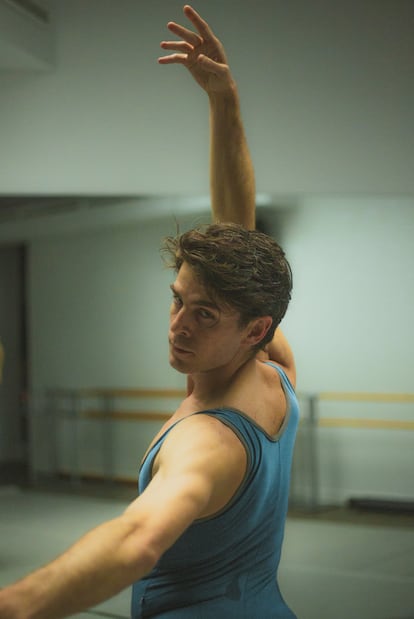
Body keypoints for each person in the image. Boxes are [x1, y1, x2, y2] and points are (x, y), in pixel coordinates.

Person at [0, 5, 299, 619]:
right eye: (176, 300)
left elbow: (137, 541)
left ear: (254, 329)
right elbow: (236, 232)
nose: (179, 324)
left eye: (205, 315)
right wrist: (224, 101)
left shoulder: (206, 442)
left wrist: (17, 602)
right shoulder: (274, 371)